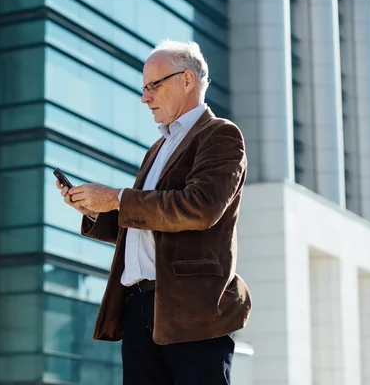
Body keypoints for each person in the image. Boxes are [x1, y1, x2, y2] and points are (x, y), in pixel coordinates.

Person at [56, 40, 251, 385]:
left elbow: (198, 208)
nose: (145, 98)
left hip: (191, 312)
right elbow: (147, 223)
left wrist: (117, 198)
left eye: (153, 86)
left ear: (187, 80)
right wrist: (94, 209)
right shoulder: (158, 149)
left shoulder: (220, 135)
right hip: (141, 310)